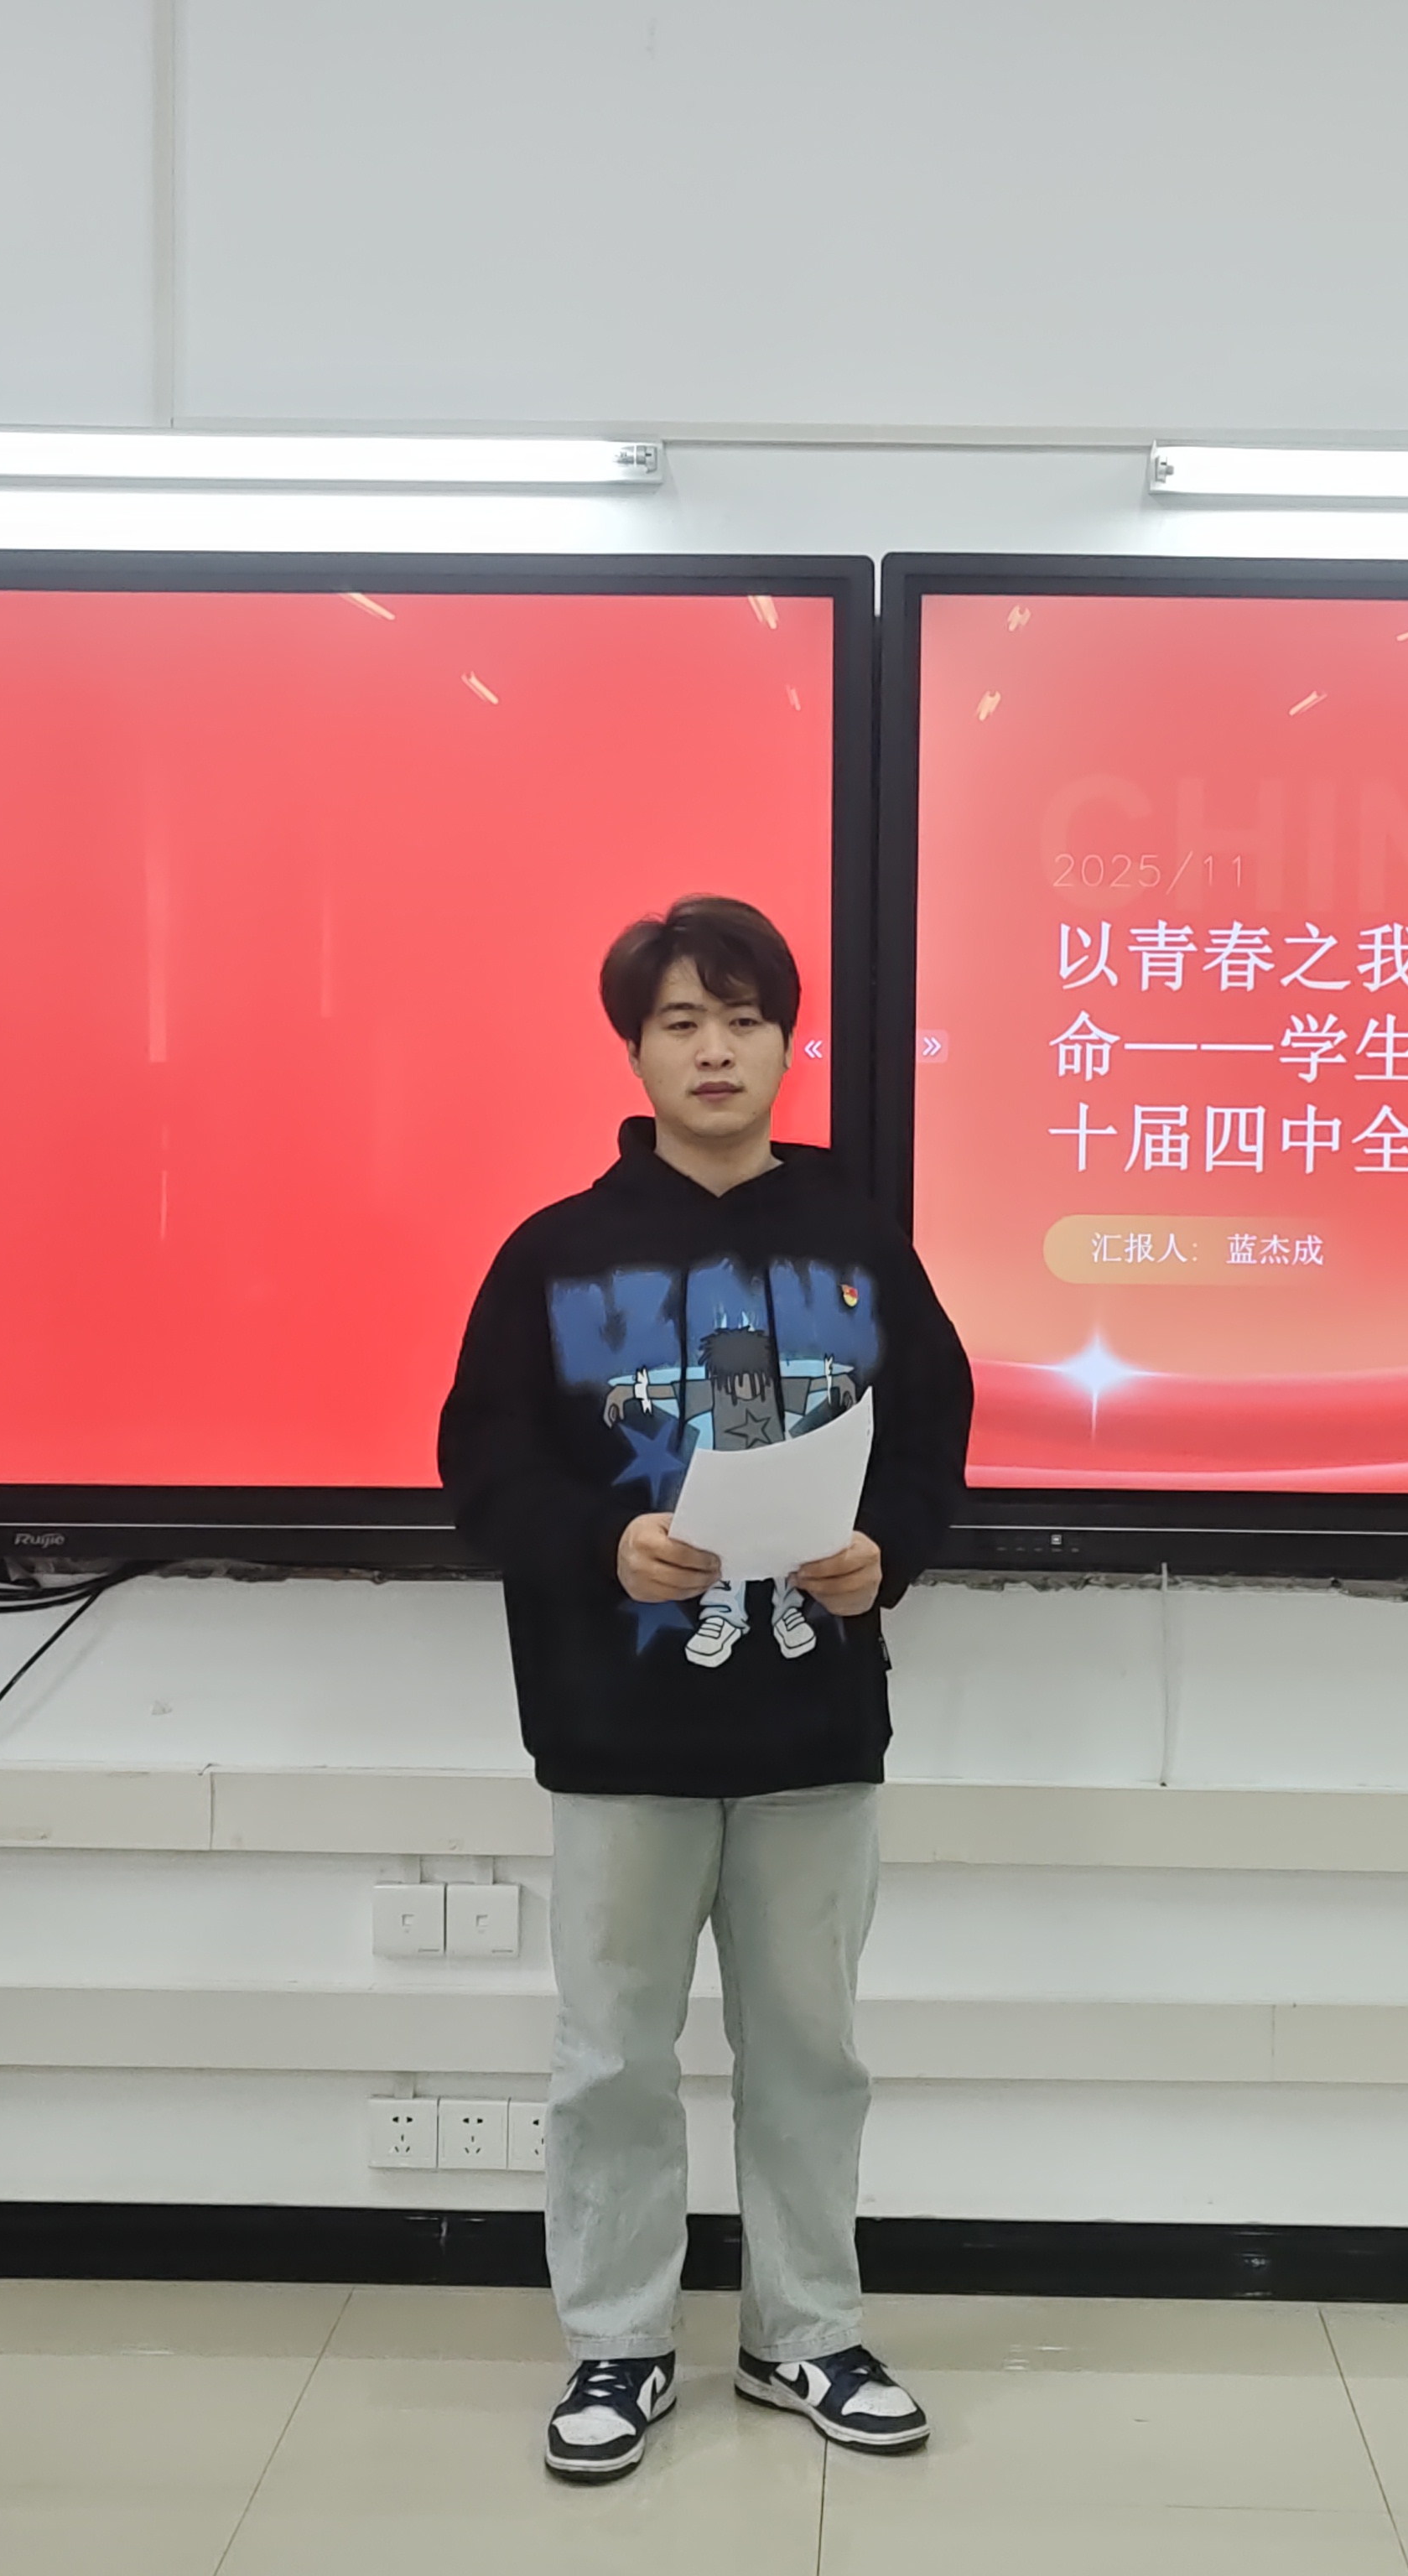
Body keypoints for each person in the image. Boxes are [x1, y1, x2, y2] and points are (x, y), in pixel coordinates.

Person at [439, 894, 974, 2485]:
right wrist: (604, 1547)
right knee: (612, 2058)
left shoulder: (862, 1248)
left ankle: (804, 2332)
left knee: (812, 2054)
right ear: (637, 1051)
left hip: (816, 1722)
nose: (716, 1048)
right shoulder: (552, 1254)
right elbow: (482, 1472)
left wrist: (889, 1550)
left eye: (744, 1020)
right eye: (682, 1021)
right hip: (616, 1734)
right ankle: (617, 2345)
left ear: (789, 1044)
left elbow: (937, 1438)